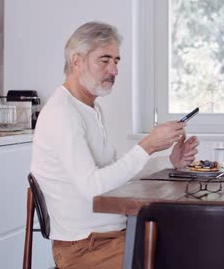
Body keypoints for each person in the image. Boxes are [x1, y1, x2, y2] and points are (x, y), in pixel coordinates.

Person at [30, 21, 199, 269]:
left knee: (190, 245)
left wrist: (169, 162)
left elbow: (115, 174)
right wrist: (148, 144)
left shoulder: (90, 108)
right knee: (183, 257)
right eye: (105, 60)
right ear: (77, 61)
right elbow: (93, 186)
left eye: (117, 61)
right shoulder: (62, 113)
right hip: (85, 248)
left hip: (113, 236)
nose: (114, 70)